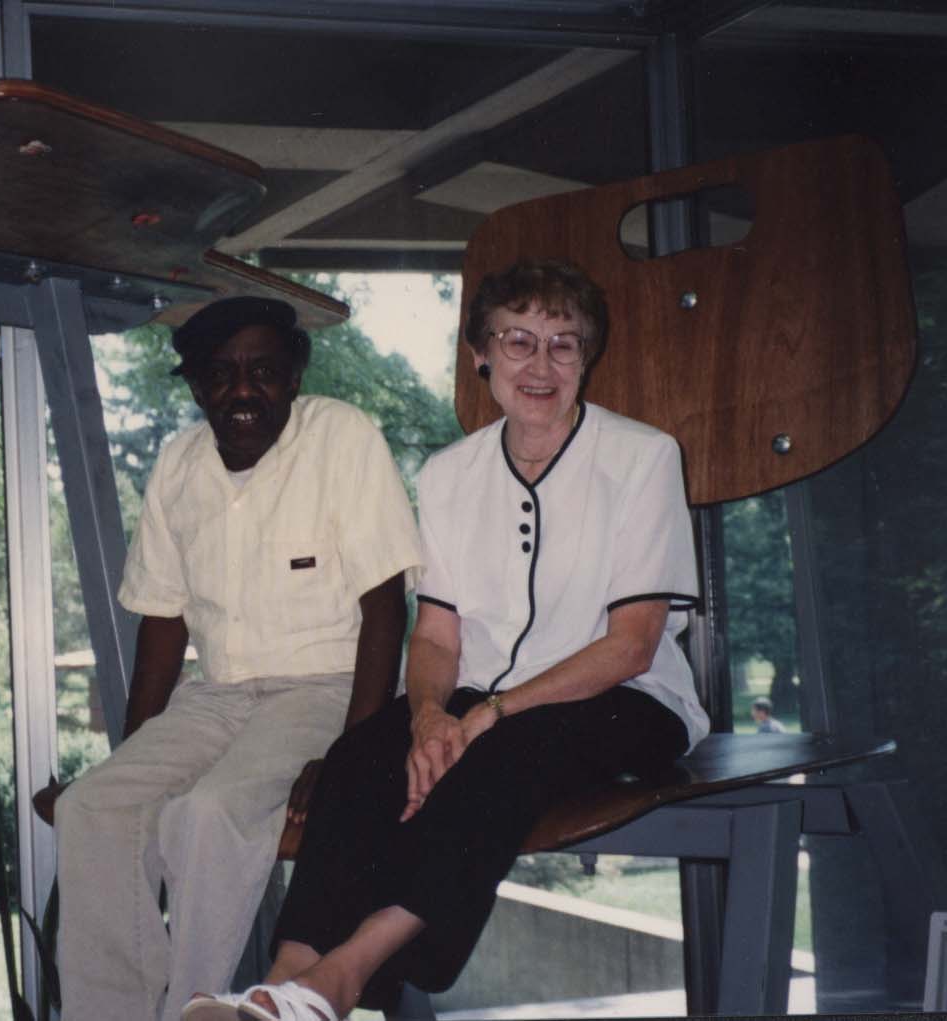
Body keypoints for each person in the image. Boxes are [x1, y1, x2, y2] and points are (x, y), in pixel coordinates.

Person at [186, 260, 711, 1021]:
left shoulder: (641, 456)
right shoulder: (449, 474)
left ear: (585, 359)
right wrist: (429, 713)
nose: (539, 364)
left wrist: (489, 713)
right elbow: (435, 633)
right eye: (517, 340)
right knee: (360, 756)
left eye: (562, 345)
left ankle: (339, 980)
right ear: (480, 355)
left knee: (496, 758)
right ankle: (281, 982)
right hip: (477, 701)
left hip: (625, 700)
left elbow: (630, 644)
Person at [54, 295, 424, 1021]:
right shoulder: (177, 466)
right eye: (220, 375)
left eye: (262, 371)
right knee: (91, 804)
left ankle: (194, 1010)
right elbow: (162, 628)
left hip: (328, 685)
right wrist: (134, 759)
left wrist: (353, 755)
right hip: (215, 694)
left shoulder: (341, 439)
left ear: (292, 377)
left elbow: (386, 608)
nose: (242, 390)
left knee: (207, 811)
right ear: (195, 387)